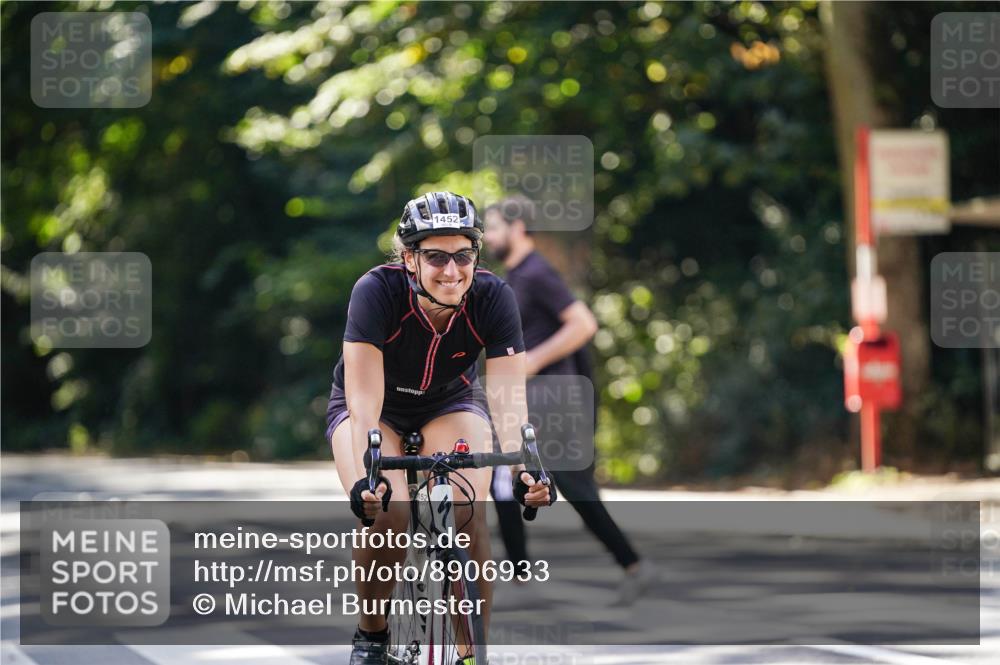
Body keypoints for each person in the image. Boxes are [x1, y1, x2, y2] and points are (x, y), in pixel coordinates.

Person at [325, 192, 555, 665]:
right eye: (435, 257)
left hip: (450, 402)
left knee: (468, 514)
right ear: (409, 258)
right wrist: (369, 473)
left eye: (463, 255)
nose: (452, 271)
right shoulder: (376, 291)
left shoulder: (493, 297)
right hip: (377, 406)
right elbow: (364, 398)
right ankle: (372, 635)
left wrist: (524, 469)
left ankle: (472, 654)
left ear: (476, 255)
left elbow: (509, 401)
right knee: (387, 514)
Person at [483, 195, 656, 607]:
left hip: (552, 398)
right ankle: (625, 566)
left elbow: (583, 323)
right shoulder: (517, 276)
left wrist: (533, 361)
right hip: (542, 398)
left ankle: (626, 565)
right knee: (524, 479)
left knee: (531, 478)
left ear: (518, 227)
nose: (487, 237)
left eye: (492, 227)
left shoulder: (536, 272)